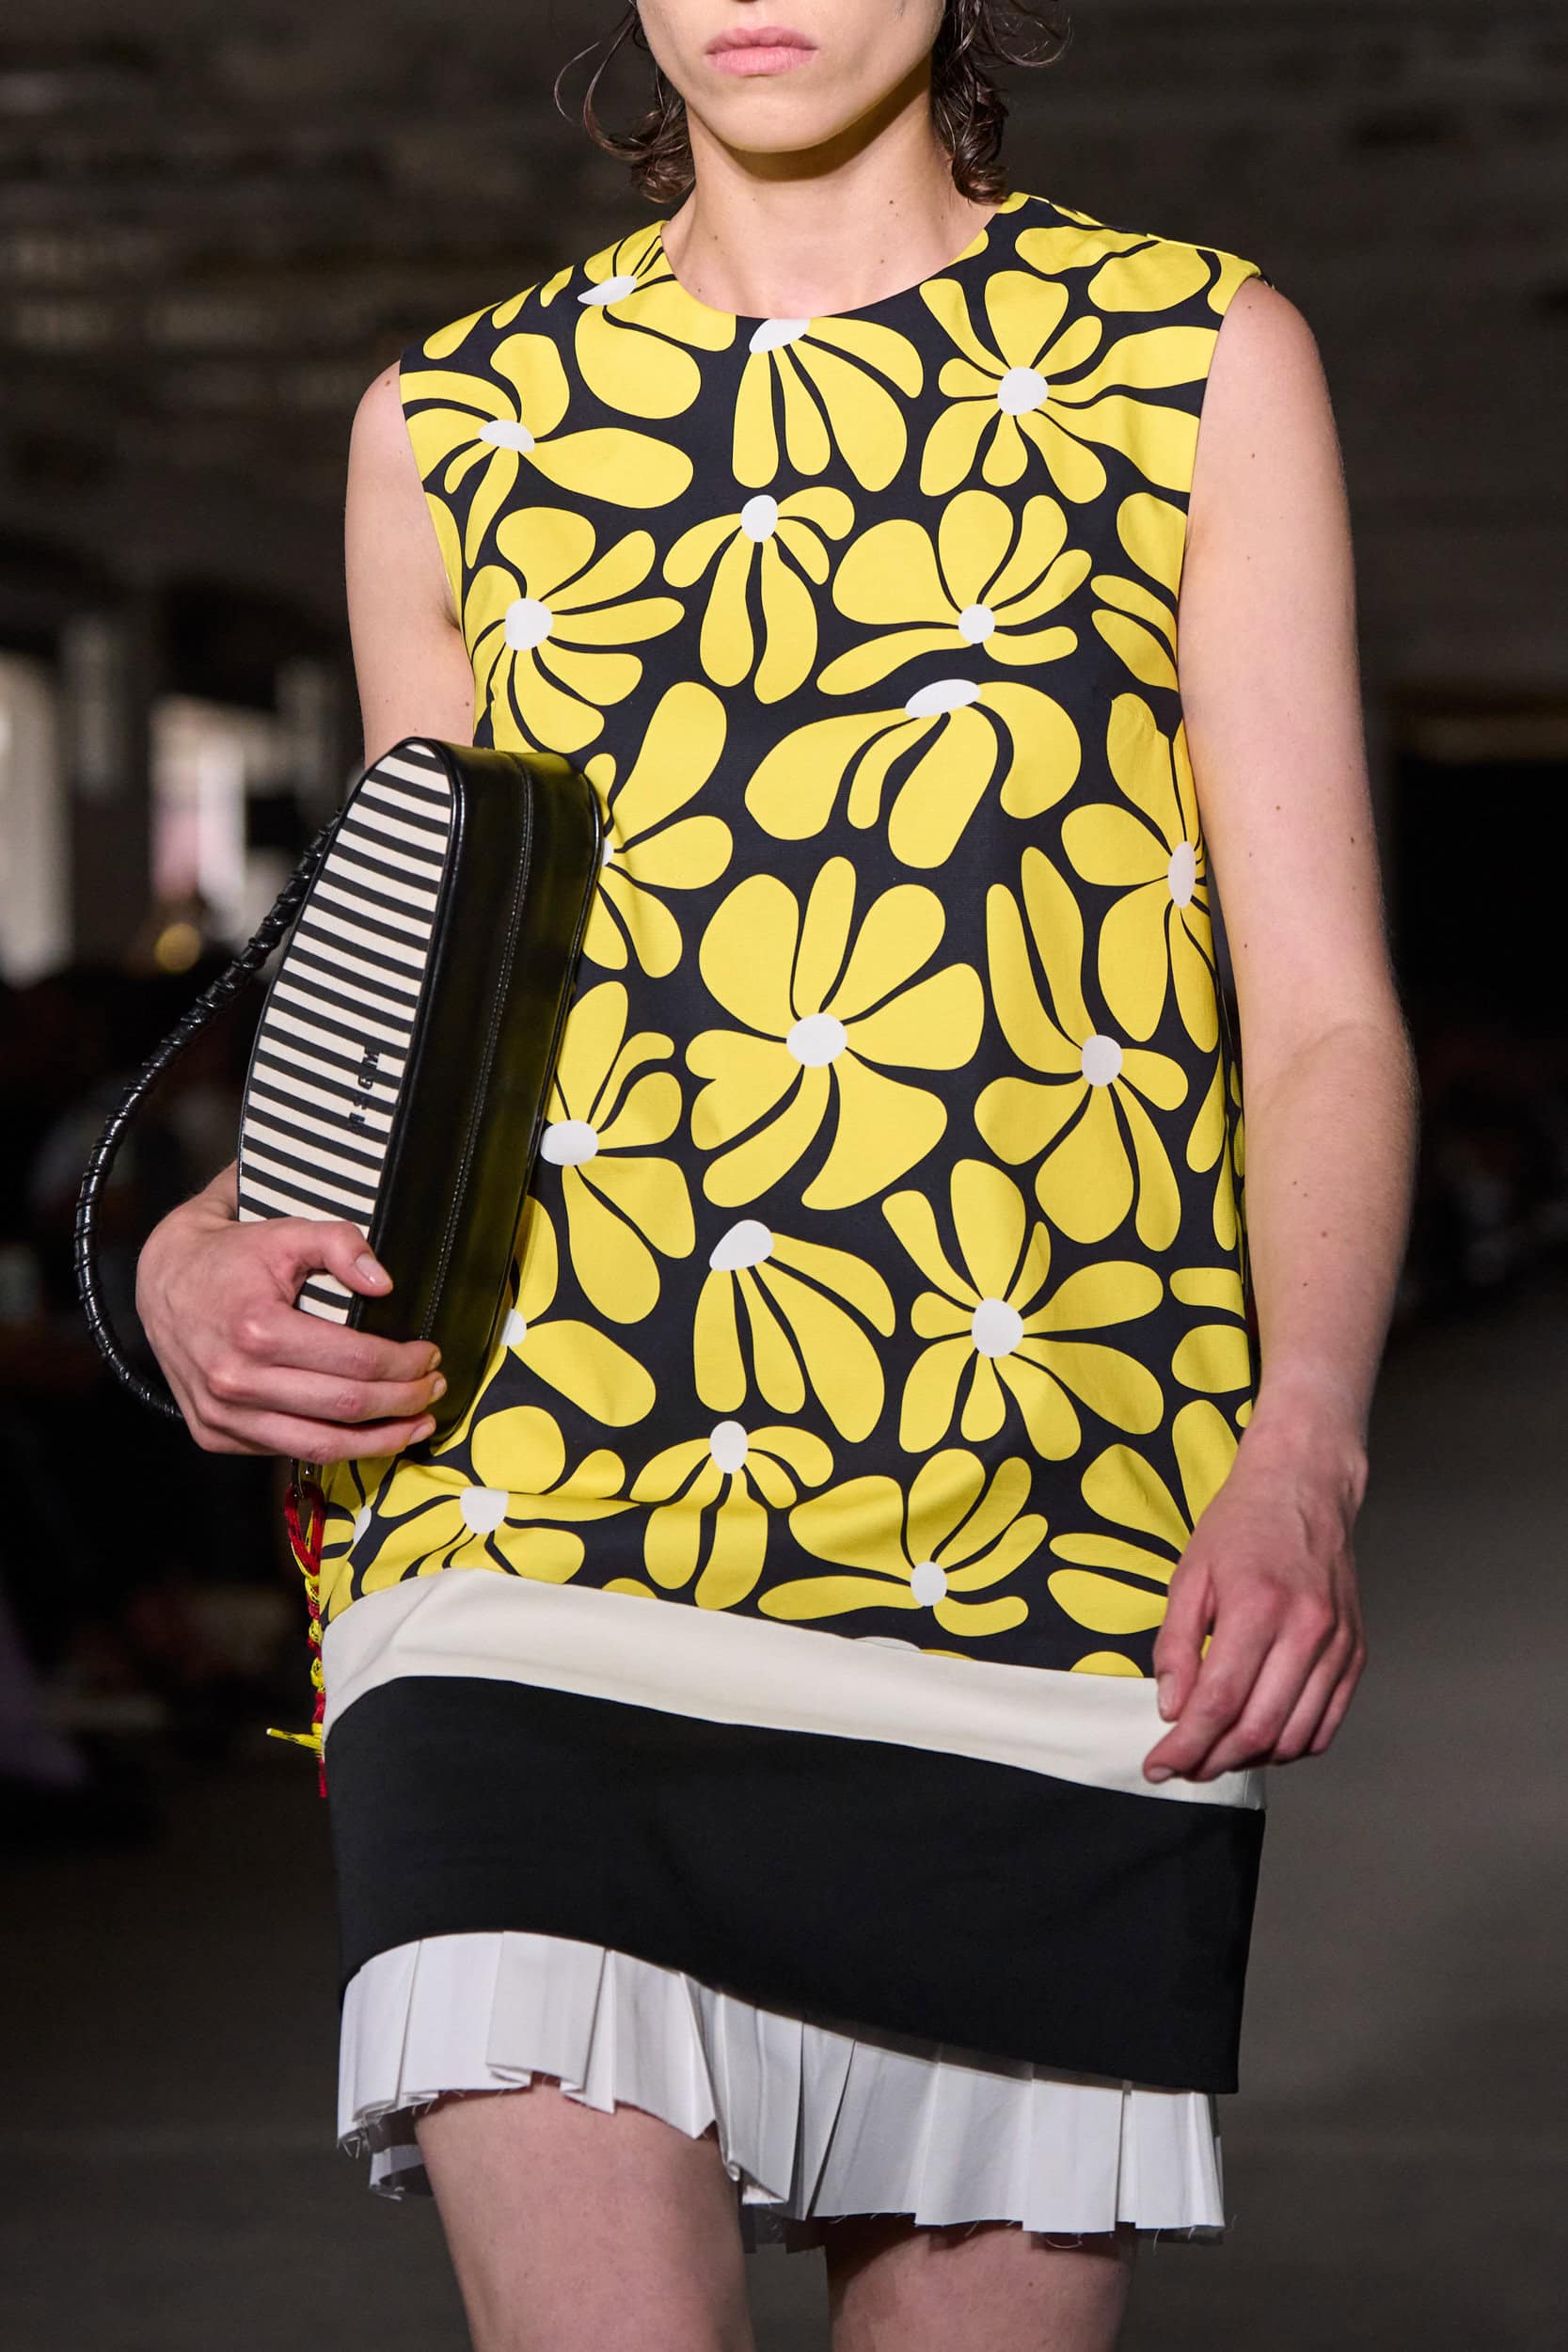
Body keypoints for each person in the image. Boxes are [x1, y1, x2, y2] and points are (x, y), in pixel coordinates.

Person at [135, 5, 1419, 2345]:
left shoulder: (1190, 360)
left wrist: (1304, 1442)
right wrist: (189, 1252)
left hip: (1049, 1558)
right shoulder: (452, 427)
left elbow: (1318, 1005)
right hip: (525, 1539)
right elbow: (402, 1016)